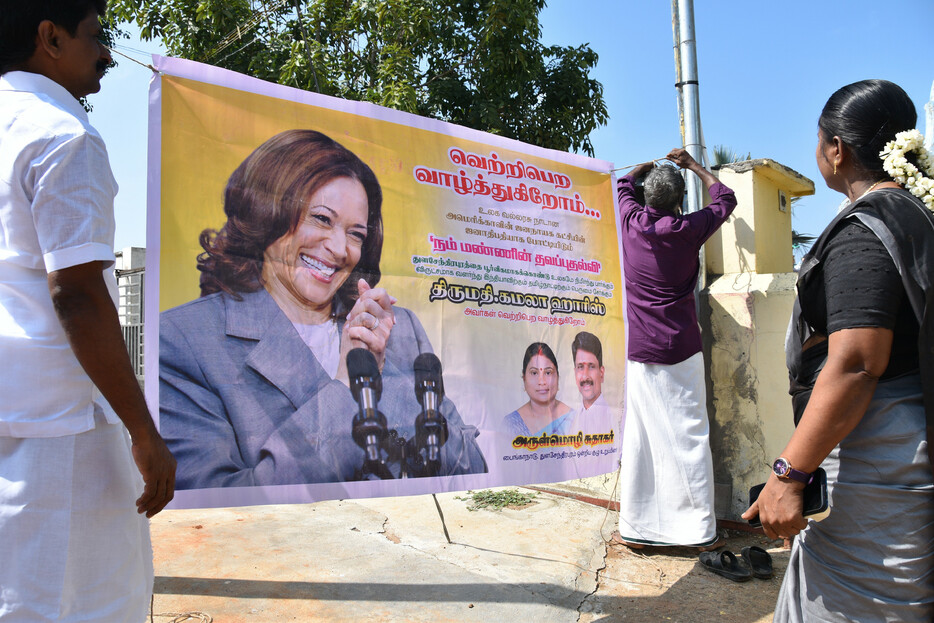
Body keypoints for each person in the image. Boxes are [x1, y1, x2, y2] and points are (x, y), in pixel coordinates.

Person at [160, 129, 486, 488]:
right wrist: (350, 389)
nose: (338, 247)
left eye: (356, 234)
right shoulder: (184, 341)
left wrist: (386, 380)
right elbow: (213, 513)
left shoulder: (400, 328)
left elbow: (470, 471)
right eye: (321, 218)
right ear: (268, 211)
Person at [0, 1, 176, 620]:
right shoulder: (63, 135)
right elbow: (76, 293)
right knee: (82, 600)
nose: (105, 54)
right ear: (50, 37)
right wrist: (143, 431)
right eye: (97, 36)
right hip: (59, 427)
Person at [742, 79, 934, 622]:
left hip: (880, 458)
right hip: (901, 449)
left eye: (818, 139)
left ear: (836, 149)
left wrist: (788, 475)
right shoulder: (916, 216)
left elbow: (855, 364)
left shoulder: (865, 230)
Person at [615, 148, 737, 549]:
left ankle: (638, 528)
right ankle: (697, 532)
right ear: (680, 202)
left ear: (648, 198)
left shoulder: (631, 221)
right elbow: (726, 198)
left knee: (642, 438)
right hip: (681, 348)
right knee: (689, 437)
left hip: (641, 352)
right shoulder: (688, 229)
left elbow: (623, 184)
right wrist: (695, 166)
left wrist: (644, 167)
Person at [500, 342, 574, 437]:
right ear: (524, 378)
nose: (542, 382)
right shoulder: (510, 424)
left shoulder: (574, 419)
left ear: (558, 377)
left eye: (548, 373)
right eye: (534, 373)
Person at [569, 331, 619, 434]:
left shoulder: (616, 420)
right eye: (580, 367)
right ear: (575, 373)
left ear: (601, 373)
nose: (585, 376)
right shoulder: (571, 422)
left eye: (591, 366)